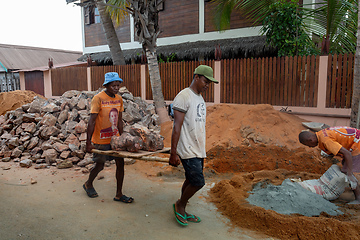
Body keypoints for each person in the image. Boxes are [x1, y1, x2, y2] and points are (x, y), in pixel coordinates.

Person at [169, 65, 219, 226]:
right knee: (198, 182)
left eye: (209, 83)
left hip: (198, 148)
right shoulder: (184, 96)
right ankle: (180, 204)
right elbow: (176, 127)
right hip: (187, 148)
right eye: (205, 81)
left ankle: (182, 206)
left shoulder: (199, 97)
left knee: (191, 179)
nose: (207, 85)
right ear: (196, 77)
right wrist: (173, 152)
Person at [83, 72, 134, 203]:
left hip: (115, 139)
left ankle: (119, 194)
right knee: (99, 165)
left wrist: (122, 138)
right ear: (106, 85)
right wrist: (88, 142)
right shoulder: (98, 98)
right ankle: (88, 184)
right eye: (113, 85)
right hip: (101, 139)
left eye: (118, 85)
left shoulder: (119, 99)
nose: (116, 88)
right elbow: (92, 121)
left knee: (120, 164)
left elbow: (120, 120)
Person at [298, 126, 360, 204]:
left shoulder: (325, 141)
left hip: (357, 144)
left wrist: (350, 174)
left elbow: (347, 153)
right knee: (346, 167)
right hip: (355, 141)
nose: (310, 147)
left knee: (347, 171)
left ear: (310, 140)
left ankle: (358, 198)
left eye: (308, 145)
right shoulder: (321, 134)